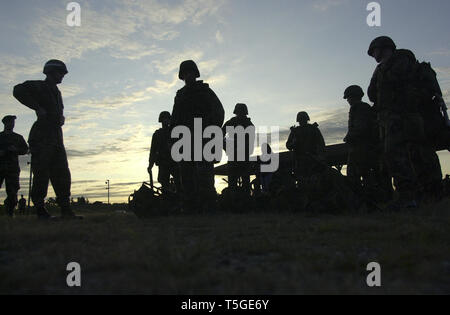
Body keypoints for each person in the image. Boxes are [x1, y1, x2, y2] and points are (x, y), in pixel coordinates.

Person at [13, 60, 82, 220]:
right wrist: (36, 107)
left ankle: (65, 208)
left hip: (56, 136)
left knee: (62, 173)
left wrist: (60, 117)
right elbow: (18, 90)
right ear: (51, 72)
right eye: (61, 73)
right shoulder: (39, 86)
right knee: (41, 172)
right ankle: (40, 209)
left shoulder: (57, 92)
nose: (63, 76)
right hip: (42, 135)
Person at [367, 36, 425, 210]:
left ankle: (410, 197)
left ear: (384, 47)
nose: (373, 55)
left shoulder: (402, 60)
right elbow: (371, 93)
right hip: (388, 118)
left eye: (374, 51)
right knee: (392, 156)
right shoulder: (381, 69)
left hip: (403, 116)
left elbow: (397, 82)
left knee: (401, 155)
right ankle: (407, 196)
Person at [170, 60, 225, 212]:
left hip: (203, 137)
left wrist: (210, 129)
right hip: (185, 139)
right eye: (185, 73)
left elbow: (219, 111)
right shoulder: (180, 95)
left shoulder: (205, 91)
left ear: (195, 73)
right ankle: (191, 206)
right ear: (182, 76)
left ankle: (209, 206)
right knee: (186, 174)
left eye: (190, 72)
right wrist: (173, 138)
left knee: (205, 174)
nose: (188, 76)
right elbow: (175, 119)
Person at [343, 85, 377, 191]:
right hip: (359, 147)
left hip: (362, 147)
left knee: (360, 173)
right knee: (359, 173)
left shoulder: (360, 108)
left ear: (353, 96)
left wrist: (349, 137)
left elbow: (361, 127)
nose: (348, 100)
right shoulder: (360, 108)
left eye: (348, 97)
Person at [222, 103, 255, 195]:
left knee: (242, 182)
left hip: (242, 156)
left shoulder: (247, 124)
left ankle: (242, 201)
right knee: (236, 182)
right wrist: (226, 147)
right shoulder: (233, 122)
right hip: (236, 156)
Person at [0, 116, 28, 217]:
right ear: (5, 123)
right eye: (9, 122)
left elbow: (25, 150)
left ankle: (10, 213)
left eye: (13, 122)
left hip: (13, 169)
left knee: (12, 191)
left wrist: (15, 150)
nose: (12, 124)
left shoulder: (18, 137)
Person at [286, 111, 326, 184]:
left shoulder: (313, 129)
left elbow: (321, 144)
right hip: (300, 161)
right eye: (301, 119)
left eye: (303, 119)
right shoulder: (295, 131)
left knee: (314, 181)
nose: (302, 121)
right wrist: (294, 143)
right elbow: (288, 145)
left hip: (312, 160)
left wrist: (320, 157)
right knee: (303, 182)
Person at [148, 111, 181, 194]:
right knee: (164, 184)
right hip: (164, 164)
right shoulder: (157, 134)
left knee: (180, 183)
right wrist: (150, 165)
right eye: (164, 119)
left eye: (167, 119)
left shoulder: (176, 133)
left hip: (175, 163)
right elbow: (153, 151)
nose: (166, 121)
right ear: (161, 121)